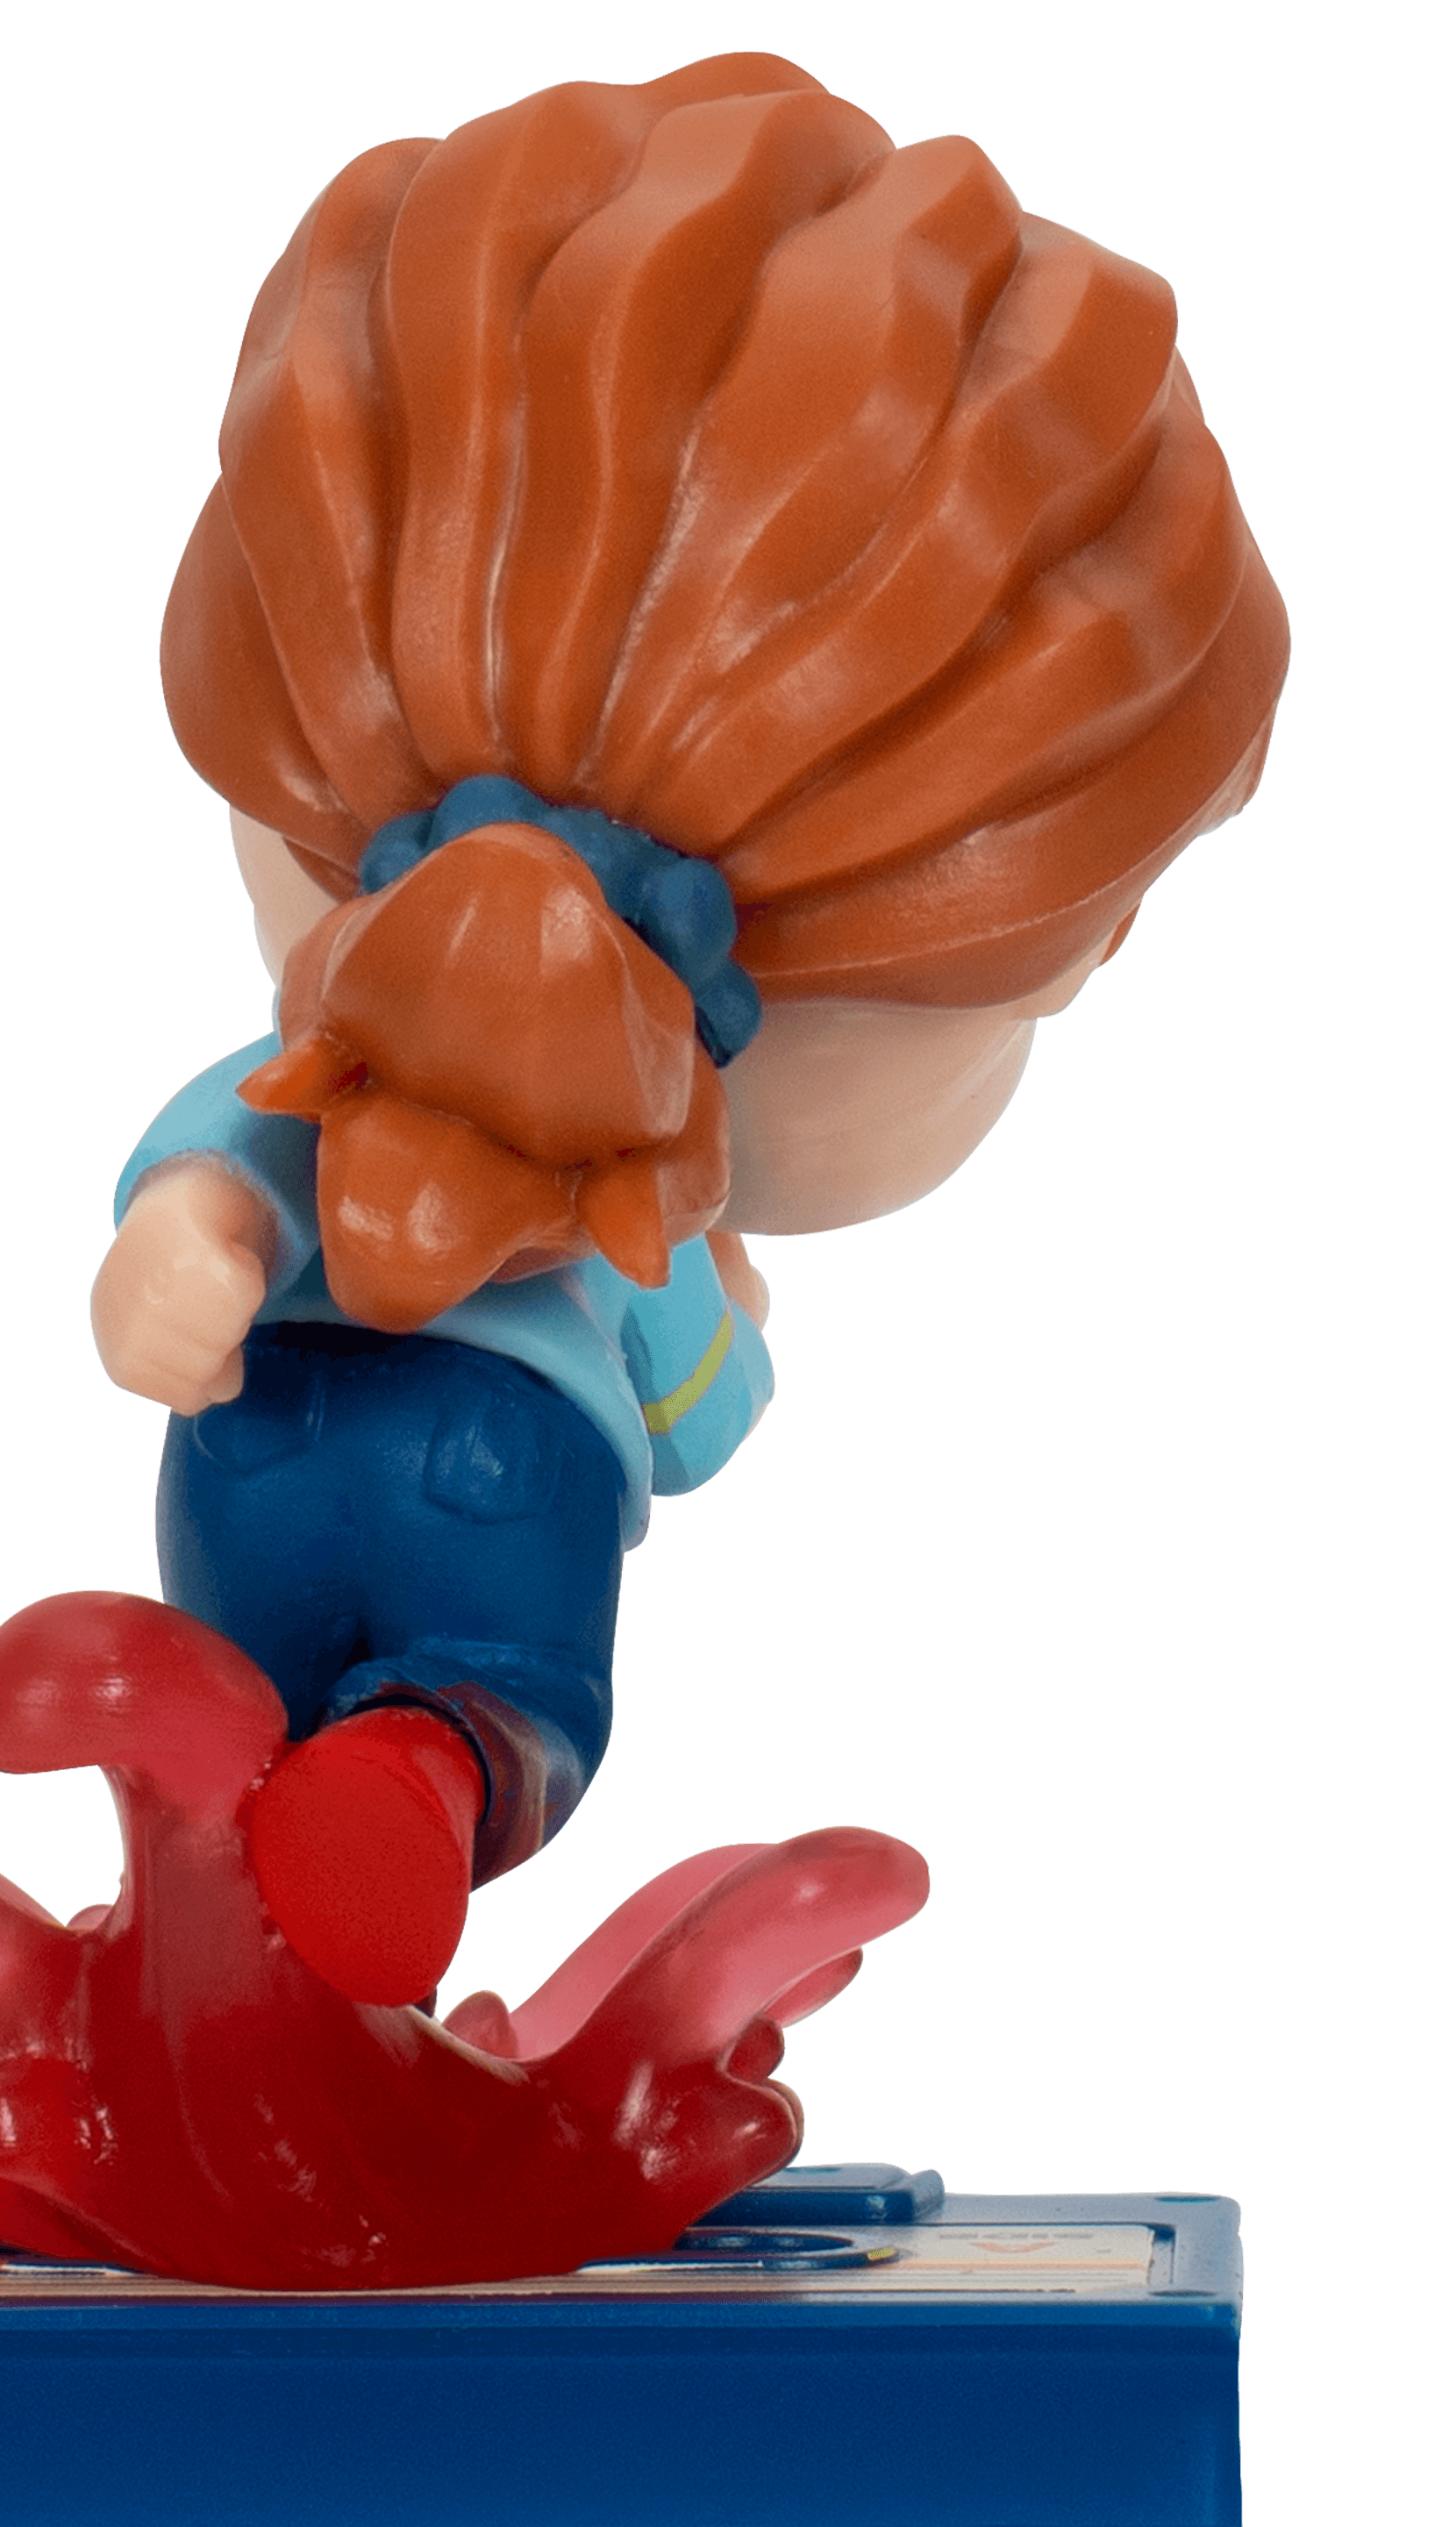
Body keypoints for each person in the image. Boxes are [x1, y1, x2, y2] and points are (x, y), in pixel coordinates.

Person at [91, 51, 1288, 2007]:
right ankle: (421, 1774)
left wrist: (186, 1252)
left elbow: (215, 1176)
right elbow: (701, 1422)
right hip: (518, 1492)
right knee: (503, 1701)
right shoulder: (645, 1216)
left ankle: (192, 1773)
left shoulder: (314, 1087)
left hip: (248, 1446)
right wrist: (726, 1318)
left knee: (241, 1699)